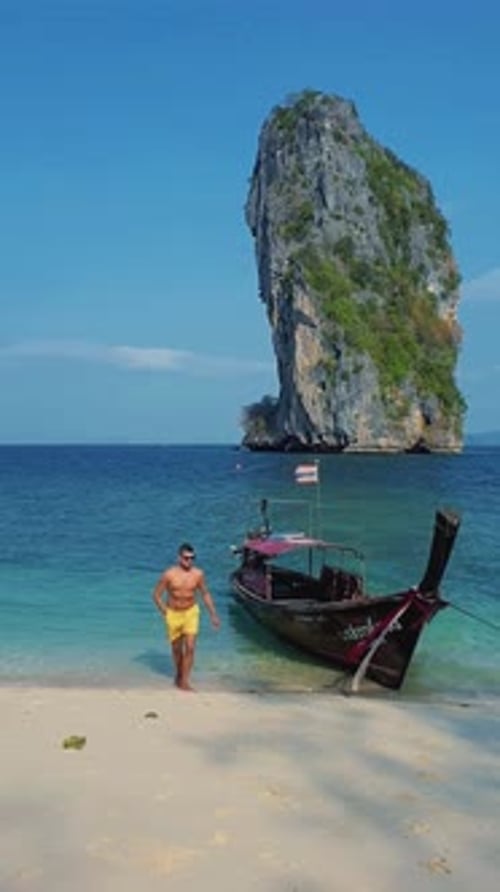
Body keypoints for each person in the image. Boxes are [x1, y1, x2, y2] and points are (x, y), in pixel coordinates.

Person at [152, 542, 220, 691]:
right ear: (179, 558)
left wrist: (213, 614)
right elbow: (156, 595)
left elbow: (205, 594)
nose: (189, 561)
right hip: (173, 614)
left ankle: (184, 681)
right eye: (186, 558)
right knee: (177, 650)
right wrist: (165, 612)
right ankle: (179, 674)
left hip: (191, 612)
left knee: (190, 647)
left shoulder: (198, 574)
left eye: (192, 558)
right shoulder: (169, 574)